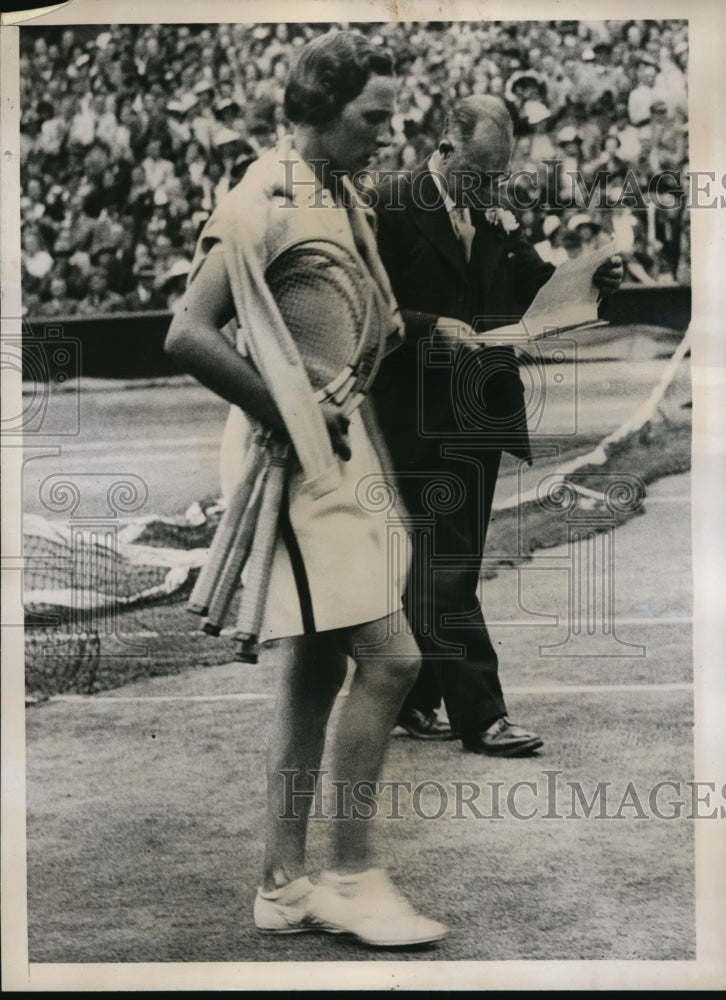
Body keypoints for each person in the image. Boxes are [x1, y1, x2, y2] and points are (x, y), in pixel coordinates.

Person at [164, 30, 446, 949]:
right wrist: (288, 411)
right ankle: (354, 876)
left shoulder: (335, 190)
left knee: (318, 672)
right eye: (374, 116)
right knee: (393, 660)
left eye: (393, 114)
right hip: (289, 463)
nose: (390, 131)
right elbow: (187, 334)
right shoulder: (262, 198)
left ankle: (283, 885)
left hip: (334, 448)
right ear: (320, 110)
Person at [371, 95, 623, 754]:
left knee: (445, 559)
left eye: (497, 174)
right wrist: (430, 330)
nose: (489, 186)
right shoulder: (390, 204)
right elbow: (366, 309)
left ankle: (410, 692)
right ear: (447, 145)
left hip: (481, 407)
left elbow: (539, 292)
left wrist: (595, 277)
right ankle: (482, 714)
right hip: (415, 412)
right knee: (449, 561)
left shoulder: (493, 211)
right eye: (479, 172)